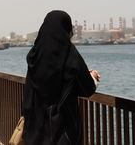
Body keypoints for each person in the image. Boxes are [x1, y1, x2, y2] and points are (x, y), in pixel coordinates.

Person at [22, 10, 100, 145]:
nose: (73, 33)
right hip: (61, 131)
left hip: (34, 128)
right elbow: (87, 88)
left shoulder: (35, 54)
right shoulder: (69, 53)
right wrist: (92, 76)